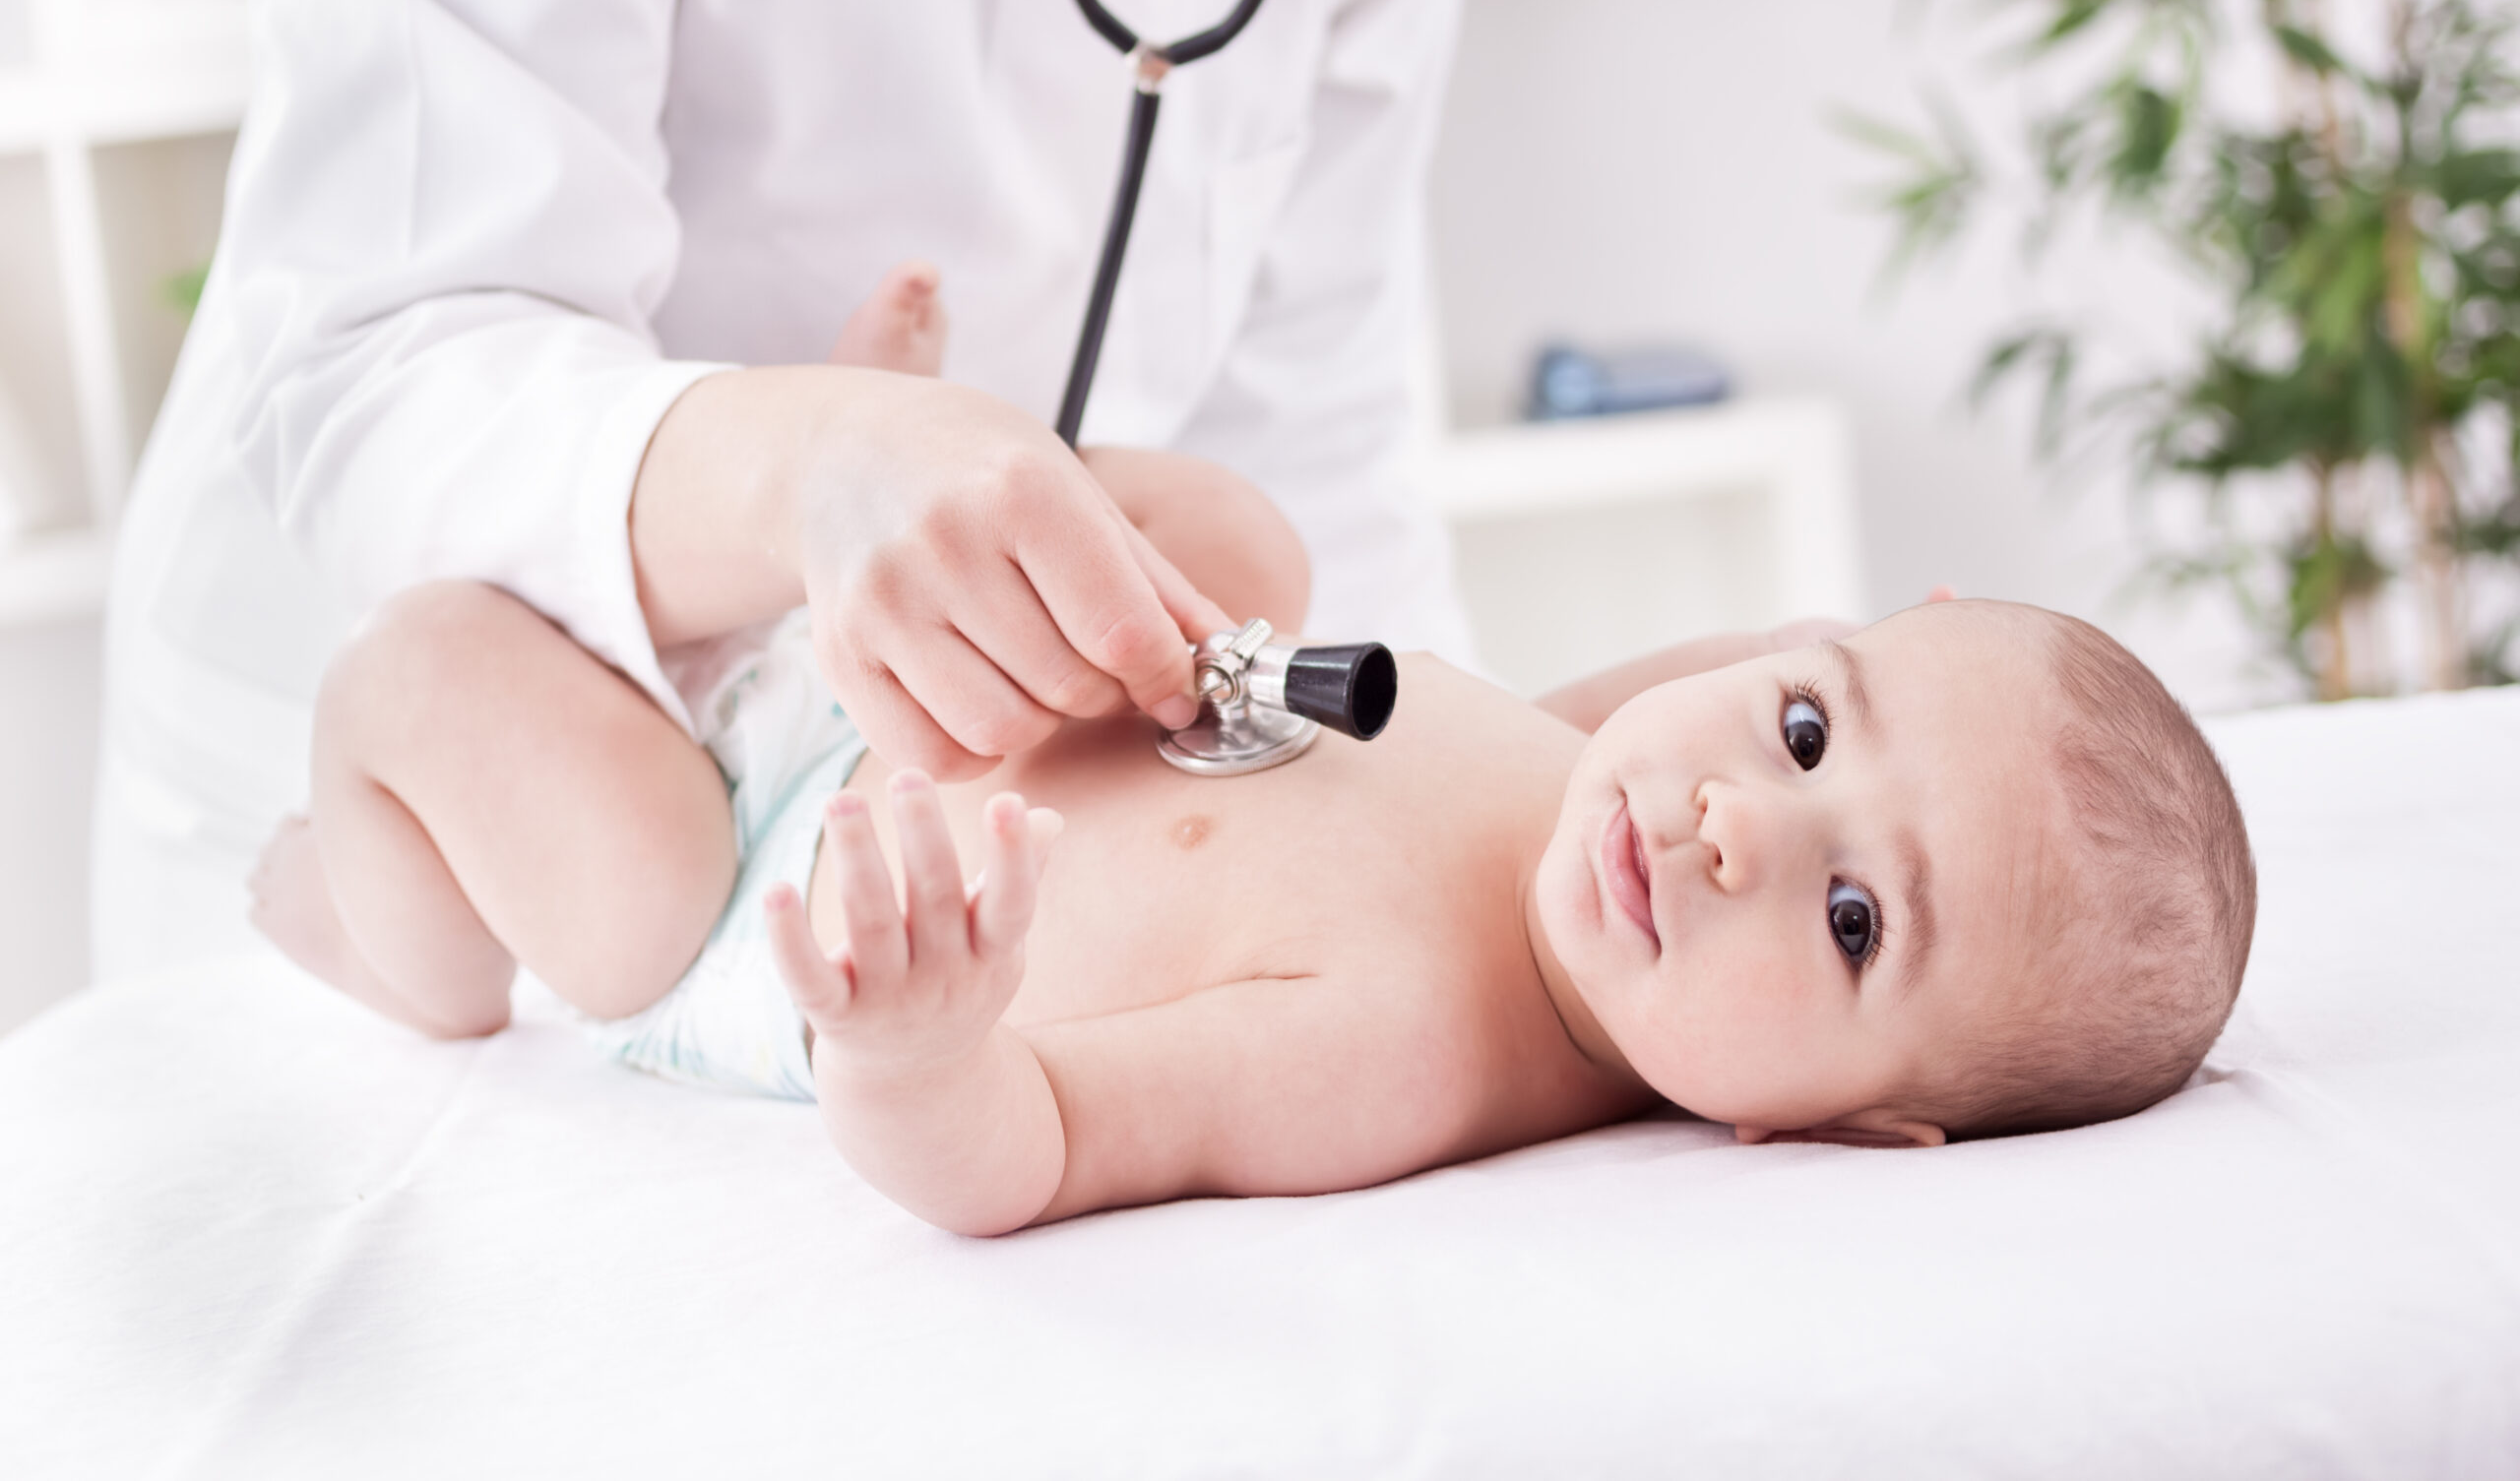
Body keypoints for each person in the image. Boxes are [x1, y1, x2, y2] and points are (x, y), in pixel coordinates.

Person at [250, 290, 2259, 1236]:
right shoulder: (1584, 773)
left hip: (749, 882)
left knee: (425, 663)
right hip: (887, 691)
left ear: (1846, 1128)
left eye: (1846, 916)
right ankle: (902, 467)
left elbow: (1031, 1143)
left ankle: (373, 922)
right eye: (1808, 723)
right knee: (1243, 547)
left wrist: (914, 1041)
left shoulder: (1392, 1044)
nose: (1738, 816)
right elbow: (1700, 701)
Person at [95, 0, 1469, 980]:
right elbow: (392, 355)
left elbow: (1319, 419)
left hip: (921, 797)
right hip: (430, 786)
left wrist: (1440, 849)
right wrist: (810, 465)